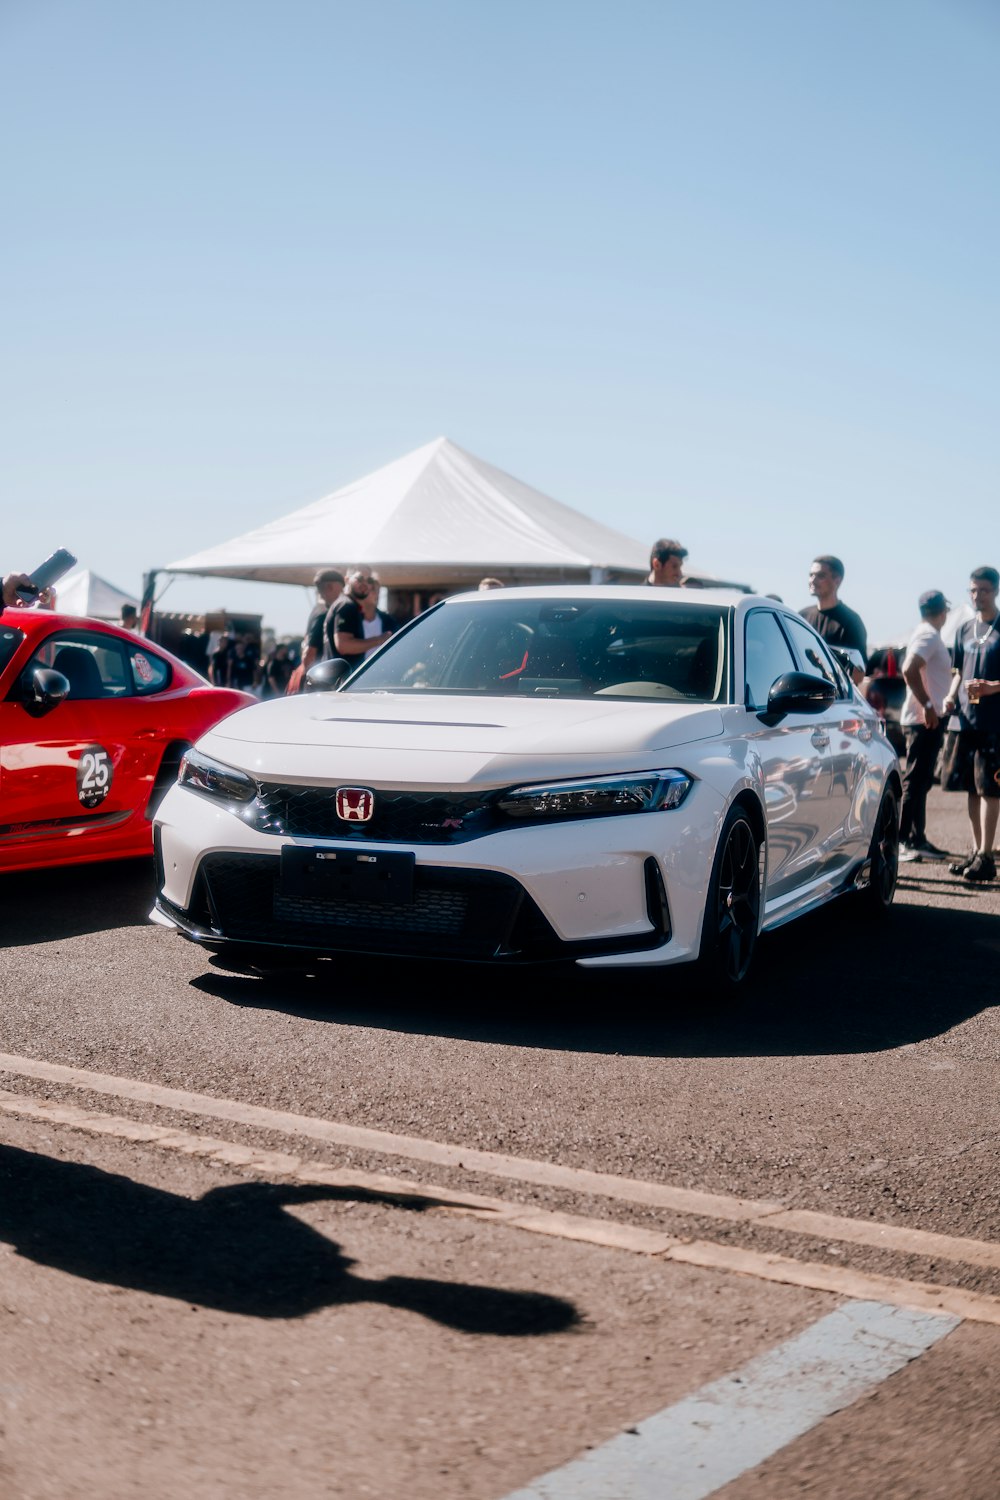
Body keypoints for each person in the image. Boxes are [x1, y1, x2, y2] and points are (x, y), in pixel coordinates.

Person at [941, 566, 1000, 883]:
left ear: (996, 591)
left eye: (984, 590)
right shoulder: (964, 629)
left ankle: (988, 856)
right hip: (965, 719)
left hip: (994, 721)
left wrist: (993, 686)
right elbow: (957, 672)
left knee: (991, 787)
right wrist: (950, 698)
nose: (978, 596)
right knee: (971, 788)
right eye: (973, 590)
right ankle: (977, 851)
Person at [897, 590, 952, 862]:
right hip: (923, 720)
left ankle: (917, 838)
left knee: (920, 782)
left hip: (926, 719)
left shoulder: (925, 632)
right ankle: (904, 840)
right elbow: (909, 669)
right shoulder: (928, 635)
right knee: (916, 781)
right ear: (943, 611)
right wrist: (929, 706)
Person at [800, 554, 868, 680]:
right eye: (811, 575)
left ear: (837, 580)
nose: (813, 580)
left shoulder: (851, 621)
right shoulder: (801, 618)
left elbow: (859, 673)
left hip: (834, 697)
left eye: (820, 576)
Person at [329, 567, 395, 661]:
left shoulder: (386, 619)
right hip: (347, 674)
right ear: (347, 579)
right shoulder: (346, 606)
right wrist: (380, 640)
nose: (365, 584)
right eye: (359, 578)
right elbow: (343, 646)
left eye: (369, 580)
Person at [300, 568, 344, 675]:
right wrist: (309, 679)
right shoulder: (324, 613)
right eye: (342, 588)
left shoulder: (317, 609)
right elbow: (310, 653)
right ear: (331, 587)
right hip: (321, 676)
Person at [356, 573, 398, 659]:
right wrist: (380, 640)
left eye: (378, 590)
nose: (376, 594)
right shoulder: (351, 620)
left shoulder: (389, 621)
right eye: (372, 590)